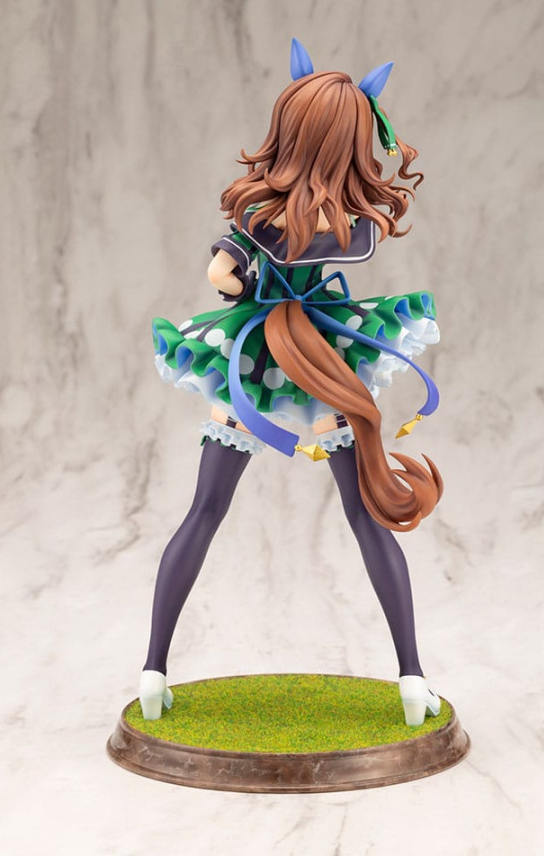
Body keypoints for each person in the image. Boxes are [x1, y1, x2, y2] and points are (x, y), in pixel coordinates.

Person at [140, 40, 443, 727]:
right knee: (362, 517)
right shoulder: (352, 227)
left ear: (290, 131)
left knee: (204, 512)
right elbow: (331, 247)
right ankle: (412, 678)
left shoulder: (261, 214)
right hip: (318, 357)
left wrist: (245, 280)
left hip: (264, 357)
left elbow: (222, 273)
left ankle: (153, 669)